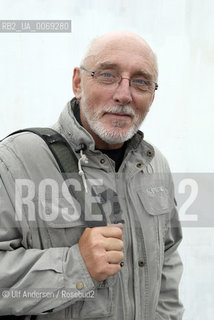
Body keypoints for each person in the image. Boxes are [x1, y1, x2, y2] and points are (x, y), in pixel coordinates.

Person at [0, 31, 184, 319]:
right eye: (108, 75)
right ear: (78, 82)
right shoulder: (15, 160)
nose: (124, 95)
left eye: (141, 81)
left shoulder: (154, 164)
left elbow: (168, 257)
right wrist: (76, 265)